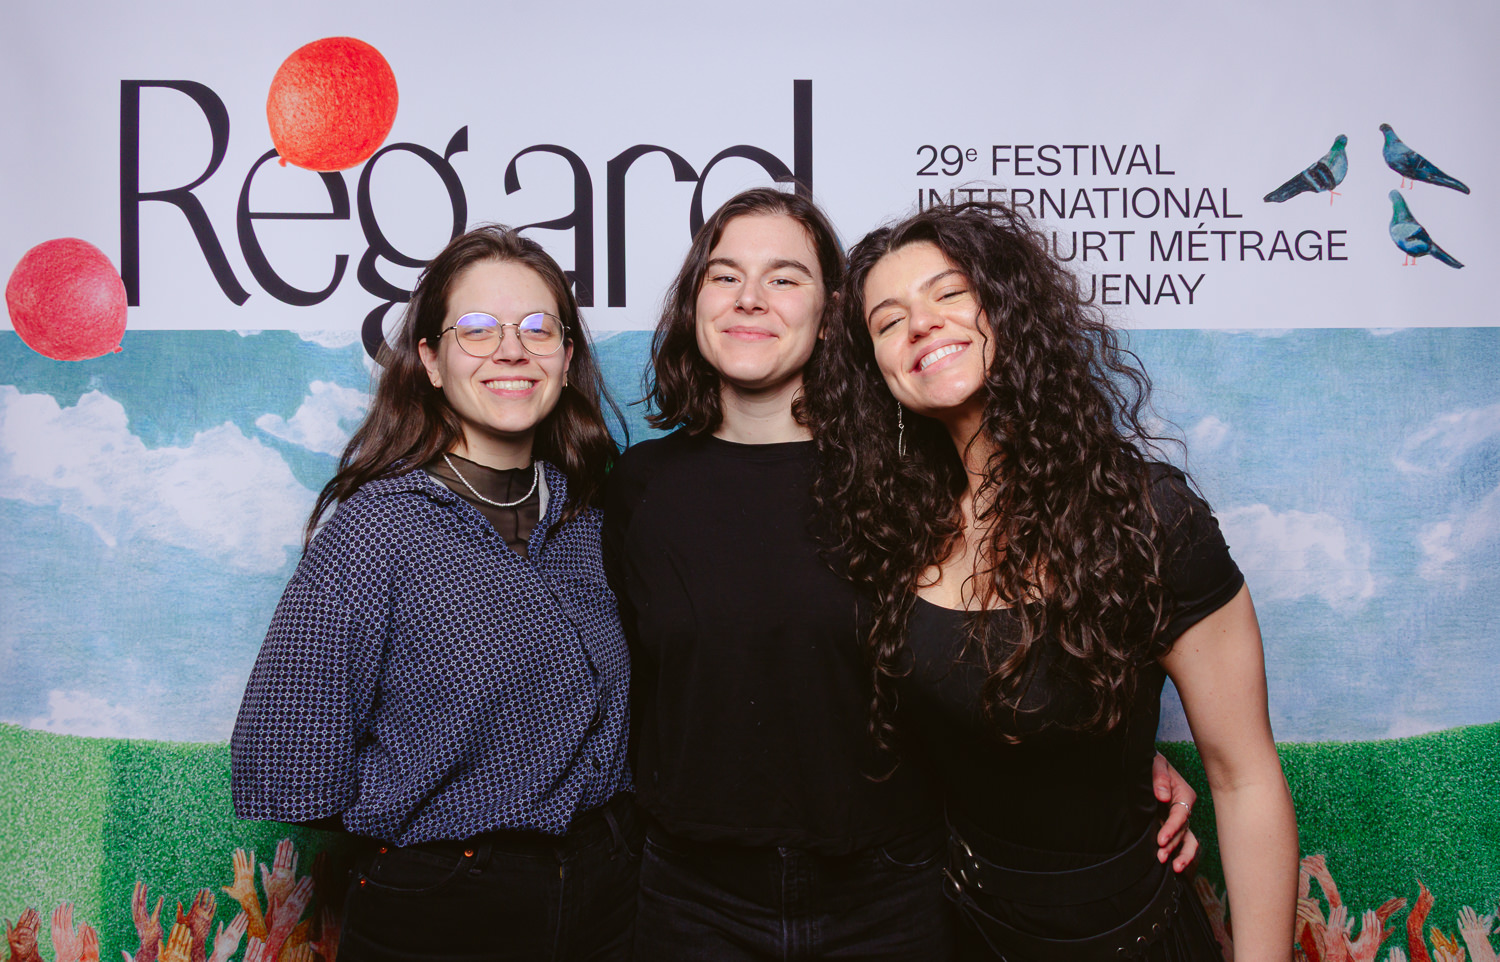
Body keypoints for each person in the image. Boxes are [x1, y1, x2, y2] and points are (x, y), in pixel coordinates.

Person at [604, 188, 1201, 962]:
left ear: (834, 315)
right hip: (693, 898)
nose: (750, 297)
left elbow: (987, 646)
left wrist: (1102, 756)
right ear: (693, 302)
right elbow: (627, 682)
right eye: (725, 276)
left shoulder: (911, 475)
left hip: (891, 893)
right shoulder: (640, 487)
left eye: (784, 277)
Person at [810, 201, 1299, 961]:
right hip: (962, 931)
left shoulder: (1148, 515)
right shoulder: (898, 528)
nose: (921, 324)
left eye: (950, 293)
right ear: (877, 369)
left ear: (1011, 309)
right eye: (888, 321)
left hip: (1123, 939)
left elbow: (1244, 780)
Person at [230, 226, 639, 962]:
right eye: (477, 329)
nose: (512, 350)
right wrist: (429, 837)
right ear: (430, 361)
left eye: (538, 328)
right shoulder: (378, 527)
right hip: (445, 905)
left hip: (606, 898)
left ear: (565, 356)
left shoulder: (588, 518)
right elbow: (288, 763)